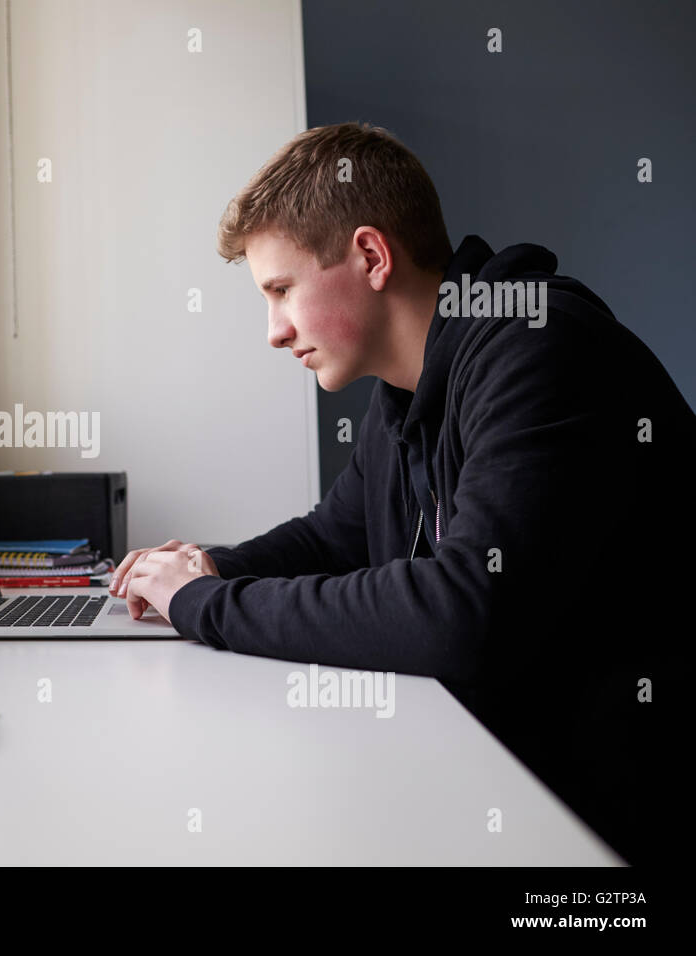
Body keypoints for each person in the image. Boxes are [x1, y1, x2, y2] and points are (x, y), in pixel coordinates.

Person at [111, 122, 693, 867]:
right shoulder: (407, 394)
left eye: (282, 290)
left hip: (620, 834)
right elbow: (332, 536)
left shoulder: (540, 351)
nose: (274, 332)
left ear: (371, 256)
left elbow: (461, 614)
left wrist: (202, 605)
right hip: (526, 791)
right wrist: (207, 567)